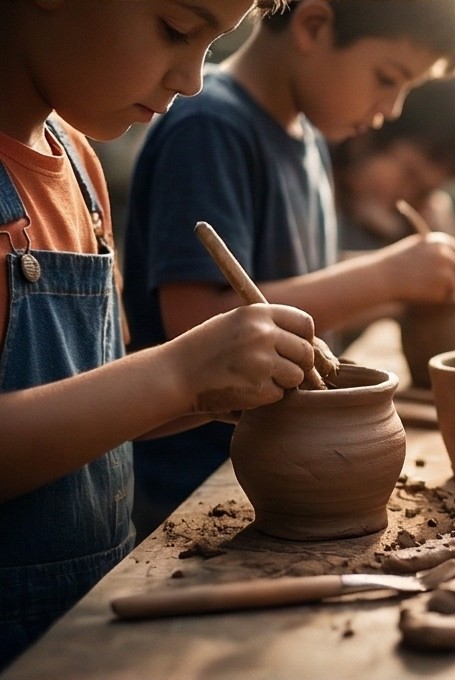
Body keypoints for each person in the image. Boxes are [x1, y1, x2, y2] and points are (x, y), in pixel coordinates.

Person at [0, 0, 321, 669]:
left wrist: (200, 394)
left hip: (89, 626)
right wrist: (175, 373)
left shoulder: (80, 167)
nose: (194, 80)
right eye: (178, 30)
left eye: (212, 47)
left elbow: (84, 408)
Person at [122, 0, 455, 540]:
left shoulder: (307, 132)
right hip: (200, 490)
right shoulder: (210, 127)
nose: (391, 109)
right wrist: (384, 277)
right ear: (313, 25)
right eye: (388, 79)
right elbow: (199, 327)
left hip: (289, 474)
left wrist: (400, 282)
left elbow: (286, 278)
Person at [331, 72, 455, 252]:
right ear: (366, 138)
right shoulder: (312, 187)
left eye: (426, 192)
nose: (409, 196)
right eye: (410, 176)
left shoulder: (413, 226)